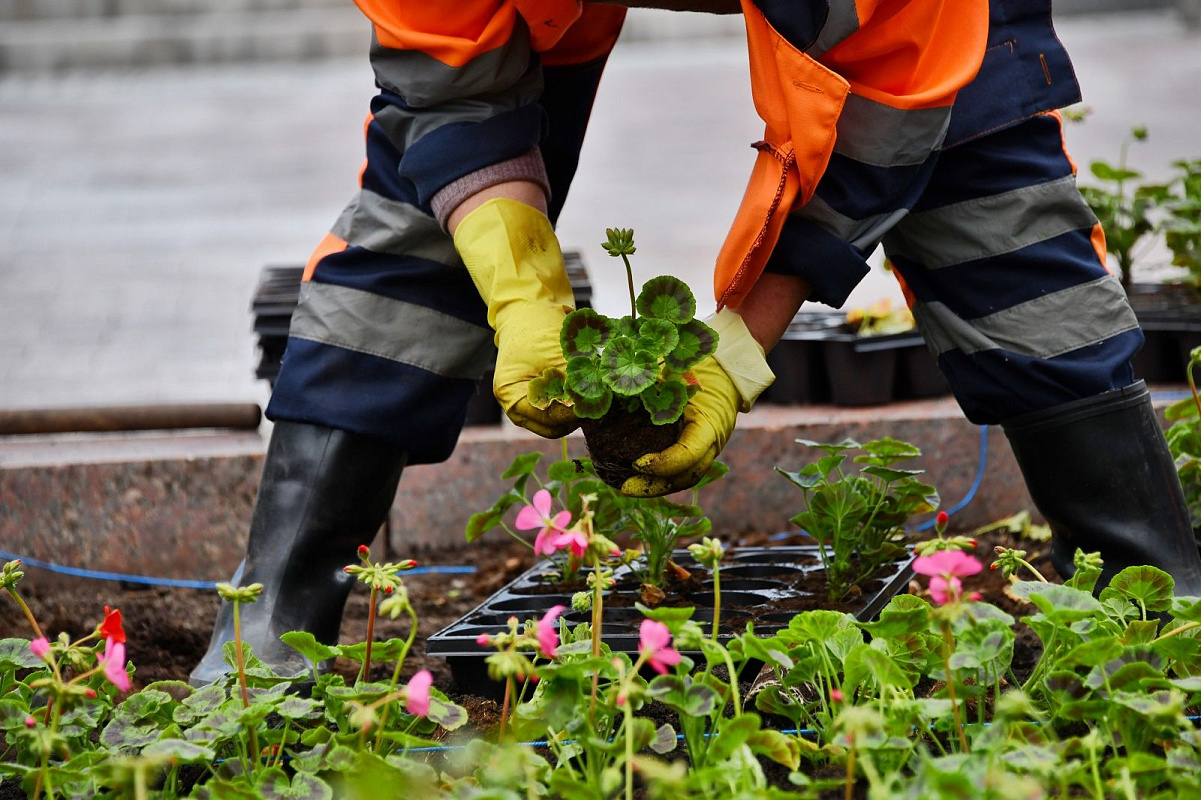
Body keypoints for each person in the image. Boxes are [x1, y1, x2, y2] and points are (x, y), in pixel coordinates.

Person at [190, 0, 1201, 685]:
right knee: (427, 205)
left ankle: (1147, 593)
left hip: (913, 22)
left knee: (986, 180)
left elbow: (893, 106)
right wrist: (519, 287)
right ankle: (274, 609)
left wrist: (738, 351)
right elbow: (448, 76)